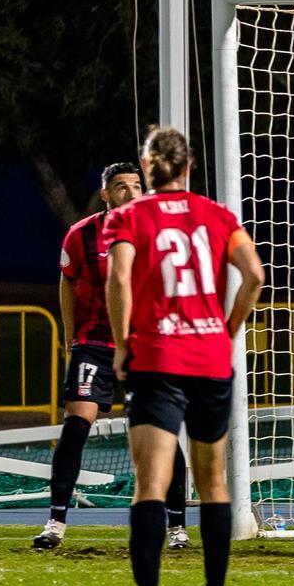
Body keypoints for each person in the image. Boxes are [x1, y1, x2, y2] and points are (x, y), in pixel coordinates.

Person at [104, 127, 264, 586]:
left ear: (149, 169)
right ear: (189, 167)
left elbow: (119, 276)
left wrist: (120, 343)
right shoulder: (217, 215)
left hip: (157, 357)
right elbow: (254, 275)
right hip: (210, 359)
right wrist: (227, 329)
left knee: (151, 482)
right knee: (212, 480)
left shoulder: (131, 217)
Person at [34, 162, 190, 551]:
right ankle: (55, 523)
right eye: (122, 187)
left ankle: (178, 529)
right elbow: (67, 282)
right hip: (96, 344)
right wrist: (72, 338)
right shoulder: (81, 234)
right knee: (75, 428)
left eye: (137, 186)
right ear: (105, 194)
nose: (131, 193)